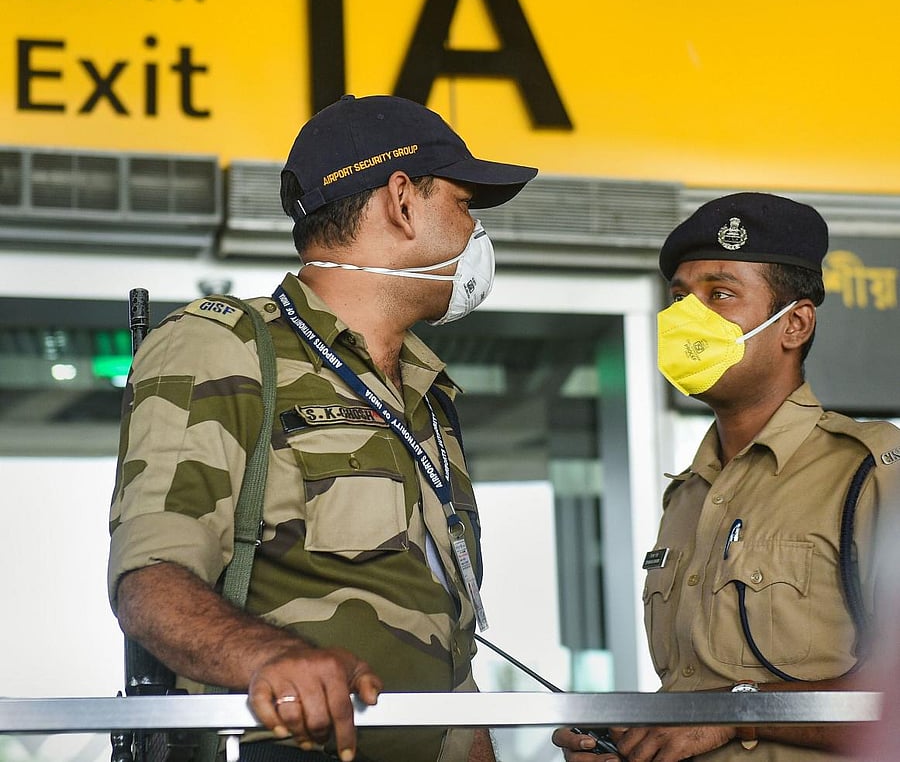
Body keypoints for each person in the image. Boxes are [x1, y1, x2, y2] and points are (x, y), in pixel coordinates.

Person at [107, 94, 537, 762]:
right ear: (402, 200)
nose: (475, 232)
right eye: (463, 203)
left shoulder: (427, 395)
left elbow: (451, 658)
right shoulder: (228, 347)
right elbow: (151, 579)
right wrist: (271, 658)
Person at [553, 192, 900, 762]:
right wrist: (631, 738)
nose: (690, 316)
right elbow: (694, 699)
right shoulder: (687, 495)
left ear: (795, 324)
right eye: (681, 297)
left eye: (720, 294)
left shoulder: (866, 473)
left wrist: (732, 716)